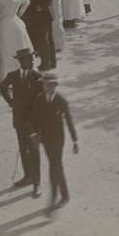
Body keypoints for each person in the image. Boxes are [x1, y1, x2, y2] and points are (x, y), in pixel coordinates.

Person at [30, 71, 78, 215]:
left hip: (58, 139)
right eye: (45, 84)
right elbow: (34, 118)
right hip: (45, 139)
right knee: (56, 166)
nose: (47, 87)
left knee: (54, 166)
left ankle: (54, 198)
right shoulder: (39, 99)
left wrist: (75, 140)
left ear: (55, 85)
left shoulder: (61, 100)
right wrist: (33, 134)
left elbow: (69, 120)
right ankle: (65, 195)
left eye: (50, 85)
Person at [0, 48, 42, 199]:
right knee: (23, 149)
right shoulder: (13, 76)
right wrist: (10, 102)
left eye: (32, 58)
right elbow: (2, 87)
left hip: (34, 121)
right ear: (21, 61)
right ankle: (28, 176)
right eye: (28, 59)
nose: (31, 61)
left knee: (34, 151)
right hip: (19, 121)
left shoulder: (37, 76)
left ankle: (37, 183)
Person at [0, 0, 33, 83]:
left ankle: (8, 75)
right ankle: (22, 70)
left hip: (5, 23)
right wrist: (19, 13)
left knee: (6, 48)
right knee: (18, 45)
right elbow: (27, 2)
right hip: (16, 22)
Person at [23, 0, 56, 71]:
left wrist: (41, 7)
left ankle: (46, 63)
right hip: (46, 14)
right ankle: (51, 62)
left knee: (43, 39)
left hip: (43, 15)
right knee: (48, 39)